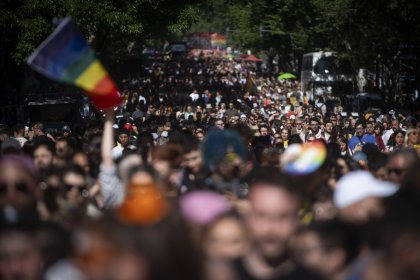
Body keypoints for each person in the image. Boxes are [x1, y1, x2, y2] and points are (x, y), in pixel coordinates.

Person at [233, 169, 323, 279]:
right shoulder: (222, 273)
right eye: (261, 215)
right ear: (247, 216)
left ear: (297, 220)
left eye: (283, 217)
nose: (271, 228)